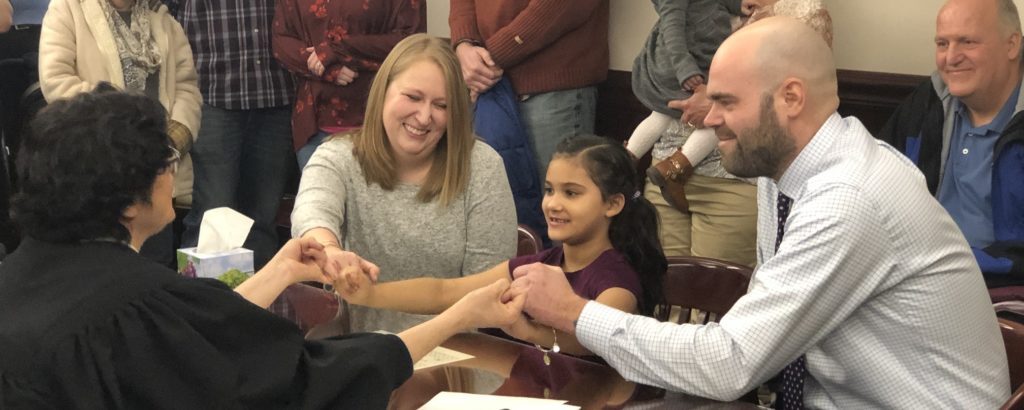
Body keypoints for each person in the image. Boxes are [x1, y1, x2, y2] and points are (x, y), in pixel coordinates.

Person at [509, 17, 1010, 408]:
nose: (711, 117)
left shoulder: (849, 198)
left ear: (790, 97)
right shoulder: (786, 173)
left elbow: (731, 363)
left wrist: (576, 312)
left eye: (726, 101)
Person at [0, 89, 525, 408]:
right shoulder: (137, 304)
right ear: (127, 199)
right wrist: (457, 316)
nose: (175, 171)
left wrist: (280, 270)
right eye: (165, 160)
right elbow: (312, 380)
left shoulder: (21, 278)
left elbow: (198, 333)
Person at [335, 135, 666, 356]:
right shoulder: (539, 265)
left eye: (571, 193)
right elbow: (444, 292)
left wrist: (529, 332)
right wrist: (369, 294)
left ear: (613, 204)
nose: (553, 204)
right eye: (550, 190)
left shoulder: (617, 280)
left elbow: (595, 342)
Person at [290, 33, 517, 334]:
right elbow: (312, 213)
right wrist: (330, 251)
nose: (424, 117)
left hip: (458, 357)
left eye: (442, 105)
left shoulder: (483, 166)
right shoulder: (338, 157)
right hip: (364, 355)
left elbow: (489, 289)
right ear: (382, 92)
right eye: (413, 97)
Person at [39, 0, 200, 268]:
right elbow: (56, 80)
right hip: (95, 169)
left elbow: (186, 87)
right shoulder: (67, 8)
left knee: (155, 266)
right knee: (99, 270)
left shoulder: (162, 17)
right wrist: (120, 129)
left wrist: (168, 142)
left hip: (153, 169)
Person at [879, 0, 1024, 287]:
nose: (951, 57)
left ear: (1012, 45)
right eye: (942, 44)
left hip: (1003, 291)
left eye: (967, 42)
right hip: (914, 280)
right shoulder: (927, 102)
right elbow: (874, 185)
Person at [169, 0, 295, 270]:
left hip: (275, 94)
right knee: (212, 213)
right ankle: (199, 303)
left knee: (263, 215)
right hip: (213, 94)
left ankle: (258, 304)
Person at [449, 0, 608, 182]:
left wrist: (492, 56)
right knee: (489, 198)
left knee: (556, 202)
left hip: (552, 86)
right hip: (484, 81)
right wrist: (464, 42)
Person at [626, 0, 759, 212]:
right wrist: (684, 69)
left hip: (689, 62)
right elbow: (672, 28)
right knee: (718, 116)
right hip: (682, 67)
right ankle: (674, 170)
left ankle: (625, 160)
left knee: (661, 115)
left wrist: (737, 6)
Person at [272, 0, 426, 171]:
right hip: (315, 124)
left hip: (380, 122)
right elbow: (282, 42)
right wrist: (330, 70)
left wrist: (339, 48)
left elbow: (411, 42)